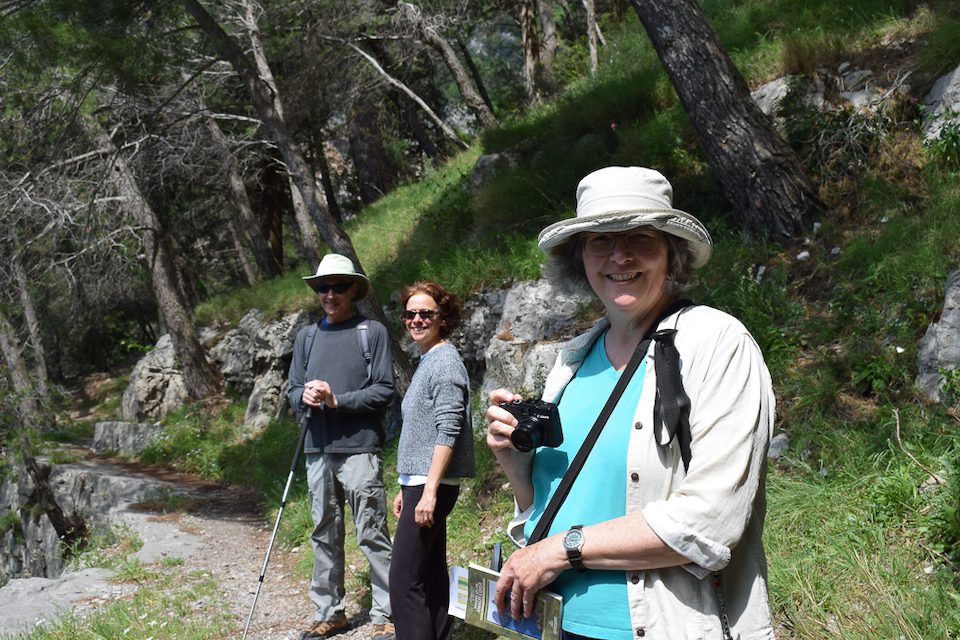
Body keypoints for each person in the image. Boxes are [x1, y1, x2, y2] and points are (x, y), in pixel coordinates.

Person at [485, 166, 776, 640]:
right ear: (580, 258)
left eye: (639, 238)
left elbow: (710, 519)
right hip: (559, 627)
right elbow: (556, 508)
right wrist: (518, 470)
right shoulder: (572, 363)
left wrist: (561, 549)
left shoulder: (717, 343)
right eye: (600, 239)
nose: (619, 255)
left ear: (671, 253)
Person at [287, 253, 396, 640]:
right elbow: (292, 389)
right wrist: (306, 396)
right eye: (323, 287)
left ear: (354, 289)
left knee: (371, 530)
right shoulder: (307, 336)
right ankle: (329, 611)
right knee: (323, 531)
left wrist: (337, 400)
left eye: (338, 286)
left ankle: (387, 610)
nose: (329, 294)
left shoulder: (372, 332)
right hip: (317, 448)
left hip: (360, 448)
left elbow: (384, 390)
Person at [389, 281, 475, 640]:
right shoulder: (429, 360)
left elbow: (448, 429)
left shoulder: (445, 363)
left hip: (430, 486)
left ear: (443, 318)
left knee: (403, 580)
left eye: (426, 313)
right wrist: (405, 484)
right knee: (430, 574)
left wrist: (428, 492)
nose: (417, 320)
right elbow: (421, 432)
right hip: (420, 483)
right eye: (411, 314)